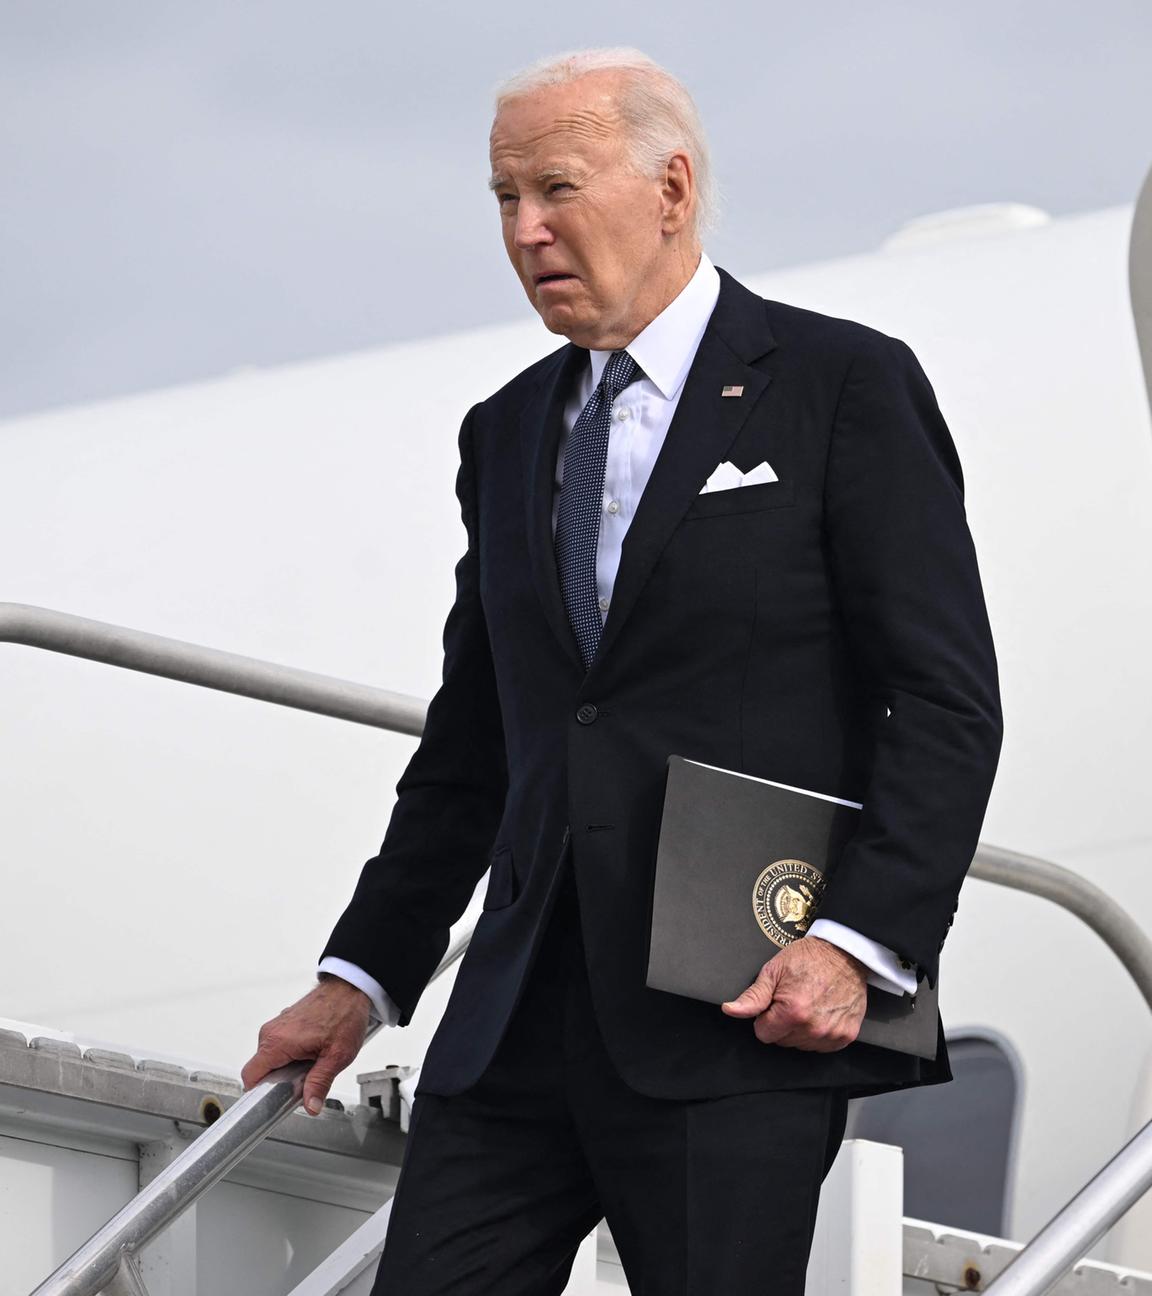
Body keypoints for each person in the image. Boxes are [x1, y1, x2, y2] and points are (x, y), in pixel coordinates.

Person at [242, 47, 1003, 1295]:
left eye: (555, 188)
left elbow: (943, 700)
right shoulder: (505, 433)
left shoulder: (839, 386)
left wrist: (857, 946)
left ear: (672, 187)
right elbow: (478, 746)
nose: (526, 230)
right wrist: (360, 975)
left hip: (737, 1012)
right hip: (516, 1022)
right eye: (503, 199)